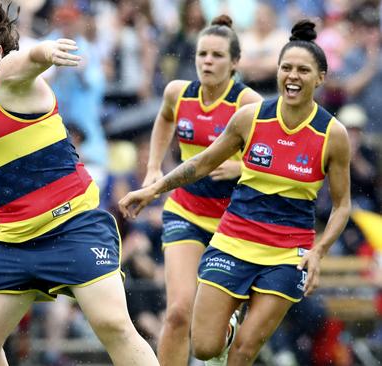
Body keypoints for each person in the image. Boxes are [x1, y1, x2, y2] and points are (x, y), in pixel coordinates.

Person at [119, 19, 351, 366]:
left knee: (243, 350)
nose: (292, 76)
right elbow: (201, 163)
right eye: (286, 67)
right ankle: (226, 324)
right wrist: (153, 185)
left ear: (320, 78)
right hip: (232, 236)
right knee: (203, 345)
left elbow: (342, 205)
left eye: (303, 70)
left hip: (288, 251)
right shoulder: (250, 117)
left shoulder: (333, 134)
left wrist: (318, 252)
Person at [0, 1, 158, 365]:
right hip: (14, 237)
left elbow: (29, 59)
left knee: (114, 326)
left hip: (72, 223)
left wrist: (46, 52)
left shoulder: (6, 76)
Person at [142, 15, 261, 366]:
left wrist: (241, 166)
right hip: (185, 211)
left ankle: (227, 335)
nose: (207, 61)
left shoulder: (248, 102)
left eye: (218, 55)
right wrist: (153, 166)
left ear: (235, 63)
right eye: (202, 54)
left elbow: (276, 154)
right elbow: (164, 117)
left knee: (209, 332)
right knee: (178, 311)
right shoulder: (178, 93)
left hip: (234, 223)